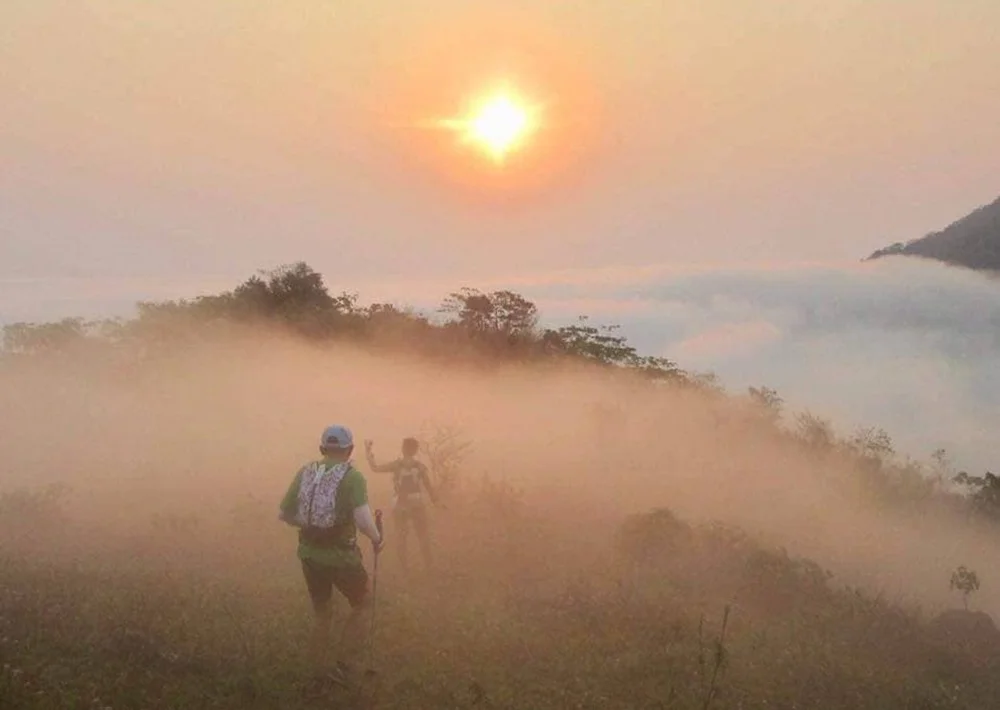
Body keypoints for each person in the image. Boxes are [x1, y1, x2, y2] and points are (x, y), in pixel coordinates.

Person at [278, 424, 384, 679]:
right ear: (350, 450)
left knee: (323, 612)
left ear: (322, 448)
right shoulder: (353, 477)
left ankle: (316, 670)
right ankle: (343, 664)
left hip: (308, 554)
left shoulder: (305, 471)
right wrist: (377, 538)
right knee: (364, 604)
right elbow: (362, 520)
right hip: (341, 557)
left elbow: (284, 513)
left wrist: (311, 528)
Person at [364, 437, 437, 574]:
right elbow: (429, 487)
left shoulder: (396, 465)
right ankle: (429, 566)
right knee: (423, 535)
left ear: (403, 449)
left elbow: (375, 468)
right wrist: (436, 501)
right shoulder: (420, 466)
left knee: (401, 536)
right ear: (415, 450)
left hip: (400, 505)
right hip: (417, 504)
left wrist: (369, 453)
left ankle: (405, 568)